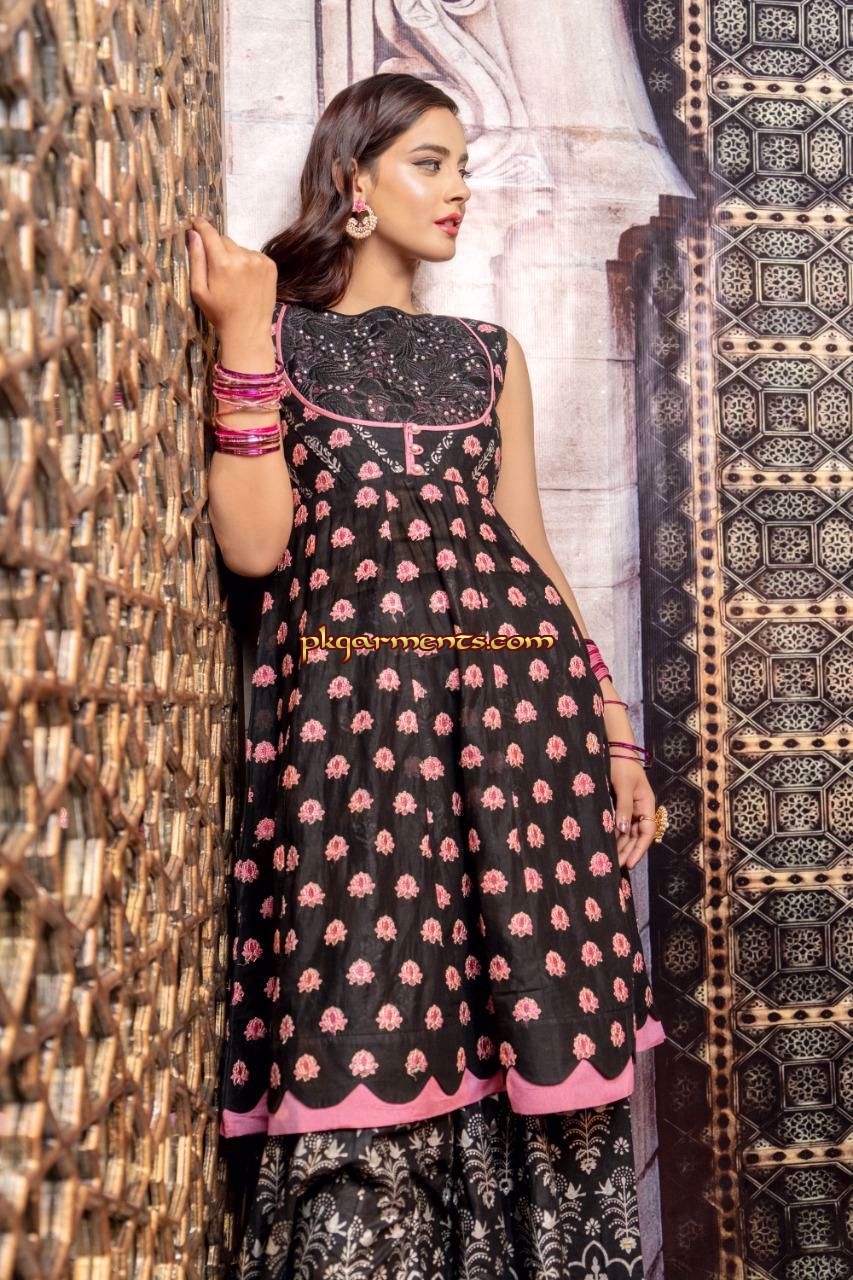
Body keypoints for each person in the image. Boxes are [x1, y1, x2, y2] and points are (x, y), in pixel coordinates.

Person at [187, 70, 667, 1280]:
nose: (458, 190)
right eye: (430, 163)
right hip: (355, 740)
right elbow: (254, 546)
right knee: (367, 1006)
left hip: (525, 737)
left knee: (536, 1005)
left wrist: (613, 731)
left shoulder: (487, 355)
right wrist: (242, 337)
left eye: (463, 165)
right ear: (353, 181)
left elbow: (529, 549)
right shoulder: (279, 335)